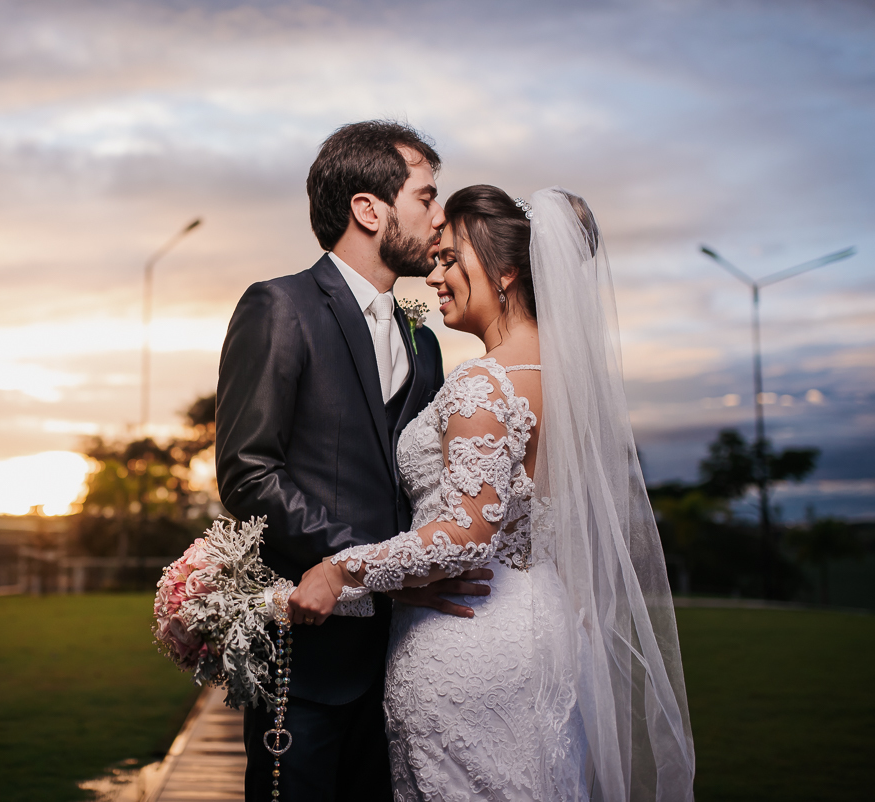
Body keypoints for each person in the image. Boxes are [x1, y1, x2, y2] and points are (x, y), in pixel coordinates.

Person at [291, 186, 697, 801]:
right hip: (551, 631)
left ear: (505, 272)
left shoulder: (486, 382)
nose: (435, 273)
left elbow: (465, 534)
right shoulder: (572, 386)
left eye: (452, 259)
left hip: (472, 646)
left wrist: (339, 569)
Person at [216, 121, 495, 802]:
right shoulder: (279, 307)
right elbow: (249, 473)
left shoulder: (423, 340)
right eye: (426, 198)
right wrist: (370, 568)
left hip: (408, 660)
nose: (439, 217)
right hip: (310, 661)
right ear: (369, 209)